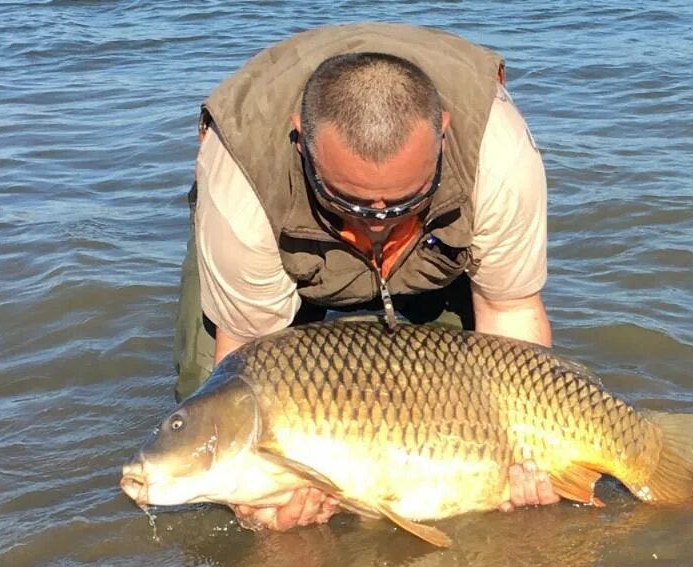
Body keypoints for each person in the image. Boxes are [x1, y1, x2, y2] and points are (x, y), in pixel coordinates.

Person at [173, 23, 559, 532]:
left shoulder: (498, 154)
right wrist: (259, 501)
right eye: (351, 201)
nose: (378, 221)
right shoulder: (242, 181)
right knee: (207, 417)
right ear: (300, 141)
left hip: (436, 248)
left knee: (467, 416)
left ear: (442, 132)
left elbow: (510, 314)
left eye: (404, 200)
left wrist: (526, 450)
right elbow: (248, 347)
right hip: (282, 252)